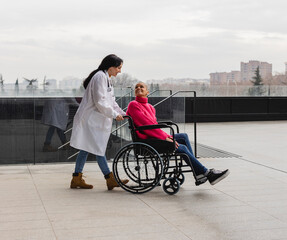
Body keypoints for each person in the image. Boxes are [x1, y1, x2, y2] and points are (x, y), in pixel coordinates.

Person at [126, 82, 230, 185]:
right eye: (136, 87)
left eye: (141, 87)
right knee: (182, 148)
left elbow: (153, 126)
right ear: (134, 92)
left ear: (147, 92)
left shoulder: (150, 107)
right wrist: (165, 137)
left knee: (183, 137)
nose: (138, 88)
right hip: (146, 140)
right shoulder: (133, 105)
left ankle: (198, 173)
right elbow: (146, 125)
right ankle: (204, 172)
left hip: (153, 137)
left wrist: (165, 137)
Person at [69, 54, 128, 190]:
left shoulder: (106, 78)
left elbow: (111, 101)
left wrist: (122, 113)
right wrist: (114, 115)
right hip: (91, 120)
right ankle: (109, 178)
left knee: (86, 149)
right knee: (99, 149)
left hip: (95, 120)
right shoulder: (100, 77)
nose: (120, 71)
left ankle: (76, 178)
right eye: (118, 68)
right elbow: (100, 101)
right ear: (111, 67)